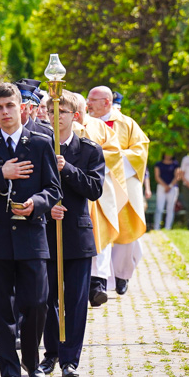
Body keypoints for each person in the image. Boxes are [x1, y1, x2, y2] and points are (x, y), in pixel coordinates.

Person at [0, 83, 62, 377]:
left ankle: (31, 362)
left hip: (33, 237)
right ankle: (9, 372)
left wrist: (37, 204)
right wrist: (0, 175)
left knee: (36, 304)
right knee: (2, 311)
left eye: (9, 106)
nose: (4, 112)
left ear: (21, 107)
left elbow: (54, 189)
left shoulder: (41, 143)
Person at [41, 90, 104, 377]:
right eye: (51, 111)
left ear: (74, 116)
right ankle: (51, 353)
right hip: (45, 234)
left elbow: (94, 188)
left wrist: (68, 169)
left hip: (77, 236)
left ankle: (70, 359)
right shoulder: (38, 146)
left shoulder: (89, 150)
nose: (56, 117)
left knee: (76, 301)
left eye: (62, 112)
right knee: (46, 298)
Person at [85, 86, 149, 296]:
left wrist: (111, 158)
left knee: (127, 232)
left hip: (122, 183)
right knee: (98, 229)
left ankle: (122, 274)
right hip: (97, 184)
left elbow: (140, 151)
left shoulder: (126, 123)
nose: (88, 104)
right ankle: (97, 280)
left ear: (106, 102)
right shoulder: (85, 123)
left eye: (92, 100)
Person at [69, 92, 126, 307]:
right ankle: (80, 284)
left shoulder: (101, 128)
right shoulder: (65, 126)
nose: (85, 111)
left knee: (102, 233)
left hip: (97, 188)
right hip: (73, 188)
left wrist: (92, 159)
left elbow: (114, 152)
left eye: (86, 107)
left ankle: (98, 283)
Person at [153, 152, 180, 230]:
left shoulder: (175, 164)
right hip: (161, 187)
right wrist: (165, 186)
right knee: (159, 208)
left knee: (170, 208)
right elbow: (157, 176)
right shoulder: (158, 164)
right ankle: (156, 227)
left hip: (172, 188)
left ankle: (168, 227)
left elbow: (177, 176)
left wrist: (170, 186)